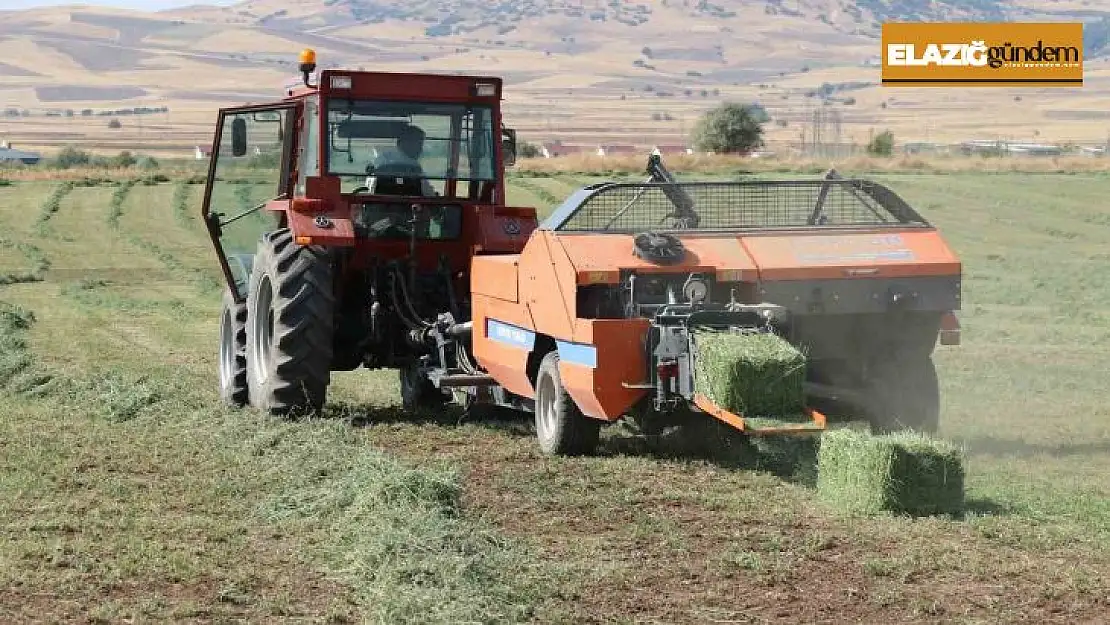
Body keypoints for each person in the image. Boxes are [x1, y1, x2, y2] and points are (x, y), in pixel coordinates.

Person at [365, 125, 437, 196]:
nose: (420, 149)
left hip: (379, 204)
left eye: (420, 145)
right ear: (401, 143)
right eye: (417, 144)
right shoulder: (414, 167)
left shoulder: (381, 159)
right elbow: (428, 193)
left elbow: (370, 188)